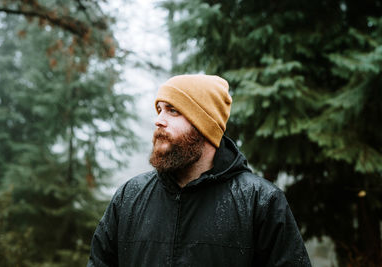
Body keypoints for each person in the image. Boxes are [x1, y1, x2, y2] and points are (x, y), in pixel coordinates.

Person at [88, 74, 311, 266]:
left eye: (172, 111)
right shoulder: (129, 197)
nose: (159, 121)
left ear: (204, 125)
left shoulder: (260, 202)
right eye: (159, 110)